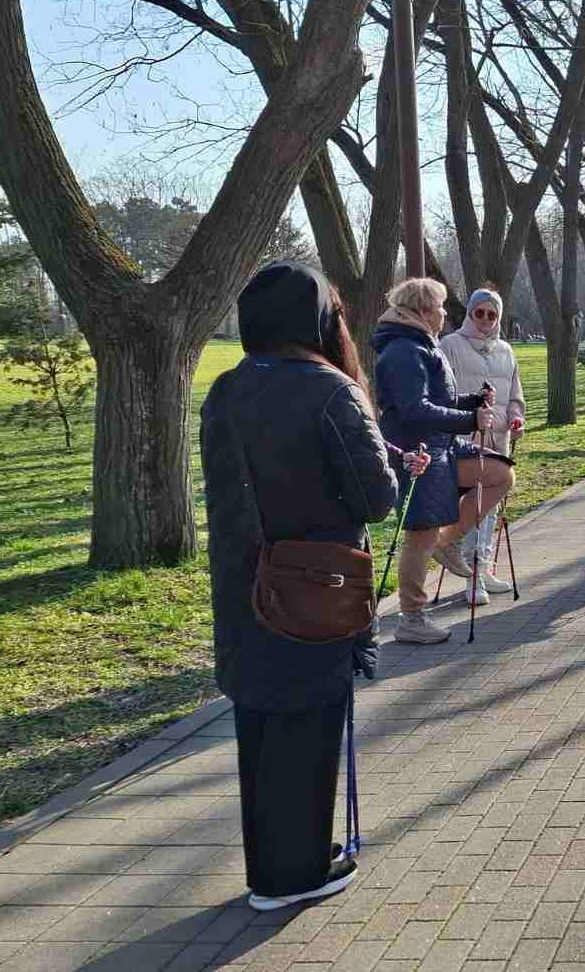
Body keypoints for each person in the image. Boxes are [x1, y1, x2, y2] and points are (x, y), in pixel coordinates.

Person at [203, 262, 417, 911]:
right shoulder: (331, 390)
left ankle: (271, 868)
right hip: (318, 588)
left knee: (261, 732)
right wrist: (395, 470)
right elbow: (375, 497)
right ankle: (295, 874)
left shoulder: (225, 390)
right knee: (309, 729)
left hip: (243, 585)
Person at [371, 278, 514, 639]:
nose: (444, 313)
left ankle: (448, 541)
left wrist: (471, 401)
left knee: (499, 474)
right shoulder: (404, 349)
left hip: (443, 447)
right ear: (422, 310)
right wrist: (469, 420)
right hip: (418, 453)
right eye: (439, 306)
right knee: (420, 535)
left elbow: (438, 399)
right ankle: (412, 619)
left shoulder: (421, 343)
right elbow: (413, 409)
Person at [438, 287, 527, 602]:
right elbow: (441, 394)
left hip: (498, 438)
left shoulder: (506, 350)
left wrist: (516, 419)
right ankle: (471, 576)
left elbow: (515, 395)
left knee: (491, 506)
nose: (486, 319)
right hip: (465, 439)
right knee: (473, 504)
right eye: (480, 313)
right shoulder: (450, 345)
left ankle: (484, 567)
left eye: (492, 314)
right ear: (470, 314)